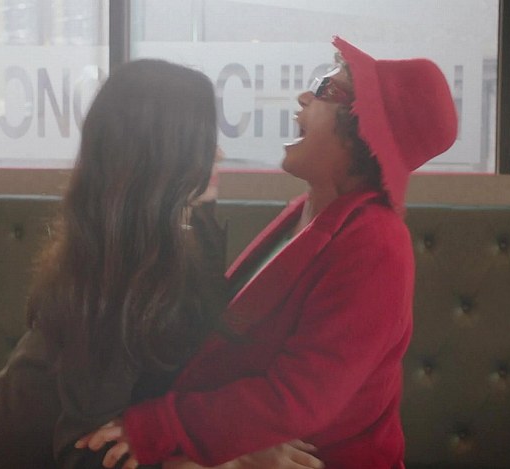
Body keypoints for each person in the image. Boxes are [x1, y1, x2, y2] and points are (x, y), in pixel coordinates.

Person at [77, 36, 459, 469]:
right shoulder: (310, 210)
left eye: (326, 88)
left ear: (362, 130)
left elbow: (299, 396)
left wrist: (160, 428)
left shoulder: (378, 243)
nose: (304, 96)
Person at [0, 58, 322, 469]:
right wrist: (232, 462)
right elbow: (83, 454)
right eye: (201, 143)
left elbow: (190, 376)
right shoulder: (113, 282)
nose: (218, 153)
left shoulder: (181, 235)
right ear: (162, 157)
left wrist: (235, 442)